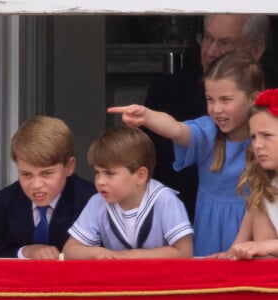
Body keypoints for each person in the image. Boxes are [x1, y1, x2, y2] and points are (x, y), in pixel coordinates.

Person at [108, 52, 264, 256]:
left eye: (226, 99)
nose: (216, 109)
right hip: (209, 231)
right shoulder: (209, 130)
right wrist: (147, 116)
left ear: (254, 99)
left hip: (253, 228)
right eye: (210, 99)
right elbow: (176, 129)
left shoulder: (265, 138)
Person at [144, 14, 274, 223]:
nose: (211, 51)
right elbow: (177, 131)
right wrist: (146, 116)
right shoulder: (172, 95)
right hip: (200, 227)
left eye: (225, 42)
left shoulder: (270, 116)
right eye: (207, 38)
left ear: (256, 50)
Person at [63, 126, 193, 259]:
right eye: (97, 172)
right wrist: (95, 253)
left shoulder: (165, 200)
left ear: (140, 176)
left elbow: (184, 252)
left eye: (109, 173)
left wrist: (132, 256)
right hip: (117, 279)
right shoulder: (97, 203)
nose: (100, 181)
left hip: (161, 278)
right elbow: (69, 251)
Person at [0, 115, 96, 259]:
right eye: (26, 174)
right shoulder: (3, 201)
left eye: (46, 173)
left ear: (69, 167)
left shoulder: (91, 200)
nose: (36, 185)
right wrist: (25, 252)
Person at [230, 89, 278, 260]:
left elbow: (263, 246)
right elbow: (245, 245)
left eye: (266, 135)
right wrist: (233, 253)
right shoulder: (266, 185)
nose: (257, 145)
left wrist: (265, 246)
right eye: (253, 137)